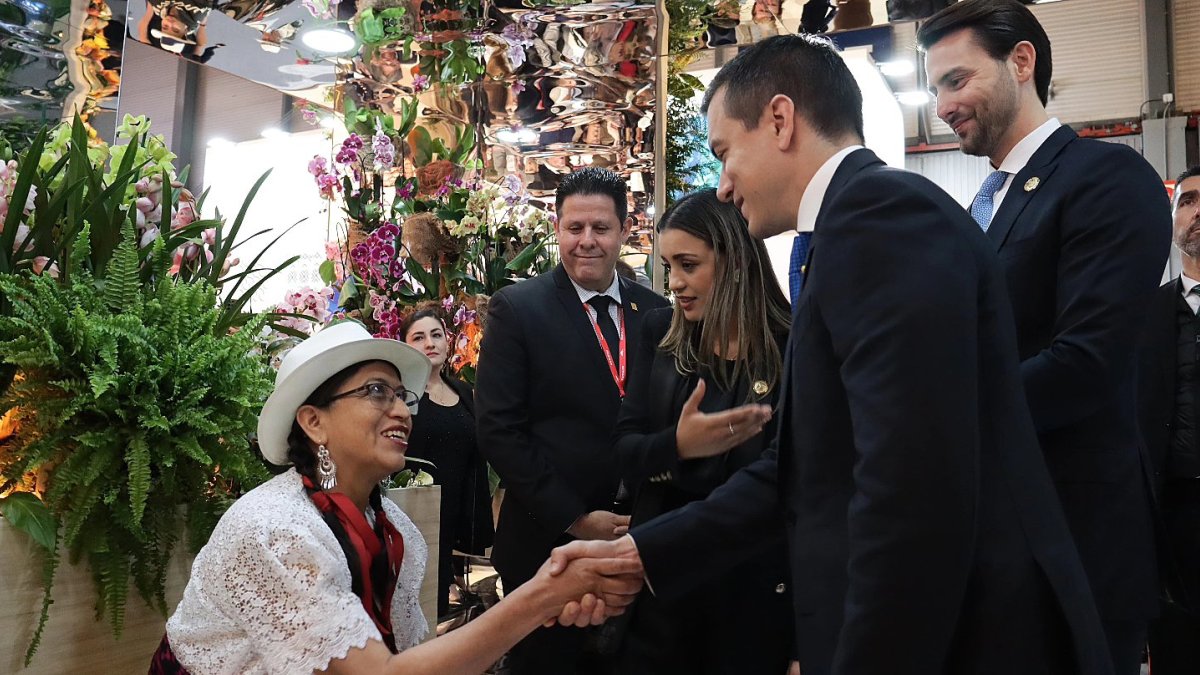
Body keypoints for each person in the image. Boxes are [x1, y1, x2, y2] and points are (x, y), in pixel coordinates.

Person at [548, 34, 1114, 675]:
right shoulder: (847, 227)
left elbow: (908, 491)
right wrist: (642, 554)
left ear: (780, 120)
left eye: (725, 153)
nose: (724, 187)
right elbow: (805, 467)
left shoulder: (882, 218)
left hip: (962, 637)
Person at [155, 321, 639, 675]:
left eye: (402, 397)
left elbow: (407, 657)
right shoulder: (275, 530)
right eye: (375, 391)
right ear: (313, 421)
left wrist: (549, 604)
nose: (403, 412)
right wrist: (543, 595)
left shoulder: (394, 528)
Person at [918, 2, 1171, 670]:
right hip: (998, 550)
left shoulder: (1106, 178)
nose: (943, 107)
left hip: (1075, 549)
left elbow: (1085, 362)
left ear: (1022, 62)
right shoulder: (981, 206)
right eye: (936, 89)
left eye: (956, 80)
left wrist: (933, 416)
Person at [474, 166, 668, 674]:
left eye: (601, 228)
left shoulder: (656, 312)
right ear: (557, 228)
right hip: (546, 543)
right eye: (574, 227)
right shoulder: (518, 309)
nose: (587, 241)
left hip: (638, 540)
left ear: (625, 230)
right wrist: (576, 518)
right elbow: (499, 429)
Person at [612, 188, 793, 674]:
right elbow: (625, 452)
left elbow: (798, 493)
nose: (674, 283)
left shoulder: (792, 347)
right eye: (668, 266)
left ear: (734, 261)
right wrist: (677, 446)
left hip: (751, 599)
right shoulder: (660, 334)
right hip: (663, 593)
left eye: (688, 265)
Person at [1135, 165, 1200, 674]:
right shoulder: (1143, 316)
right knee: (1177, 647)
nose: (1198, 211)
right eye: (1188, 201)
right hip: (1171, 513)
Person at [400, 308, 494, 619]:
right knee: (413, 608)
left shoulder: (463, 391)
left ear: (447, 340)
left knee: (437, 605)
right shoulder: (402, 396)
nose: (430, 343)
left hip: (452, 518)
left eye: (436, 335)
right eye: (419, 337)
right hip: (413, 518)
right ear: (405, 346)